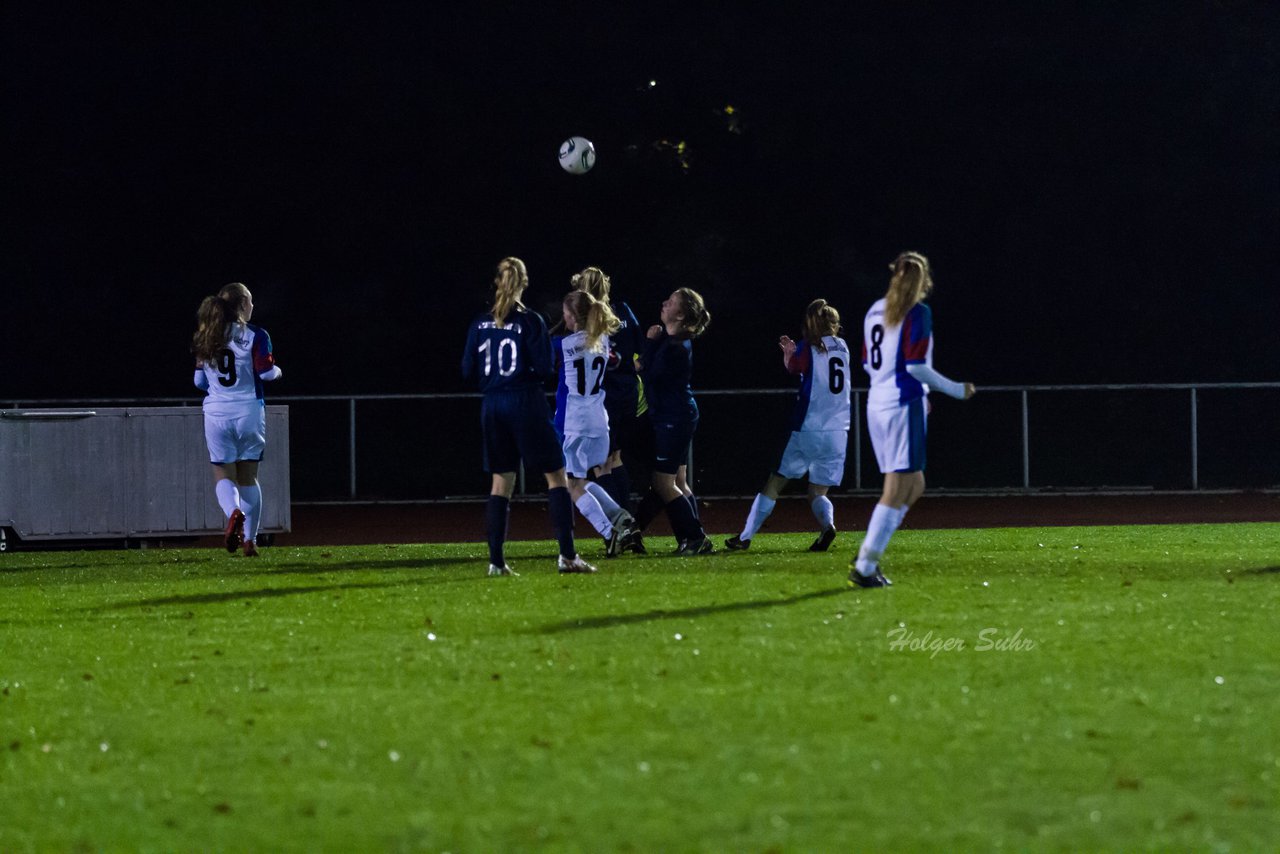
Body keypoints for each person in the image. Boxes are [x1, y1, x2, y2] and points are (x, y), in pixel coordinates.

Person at [461, 257, 596, 576]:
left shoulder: (480, 323)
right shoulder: (530, 321)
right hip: (525, 401)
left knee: (500, 482)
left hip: (492, 404)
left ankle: (496, 562)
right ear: (523, 283)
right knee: (556, 476)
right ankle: (567, 556)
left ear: (497, 282)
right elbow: (546, 367)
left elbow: (467, 369)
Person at [851, 252, 975, 588]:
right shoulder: (917, 311)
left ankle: (871, 546)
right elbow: (916, 366)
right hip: (901, 403)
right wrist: (956, 389)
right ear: (923, 280)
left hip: (878, 403)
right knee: (896, 488)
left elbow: (867, 362)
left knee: (915, 484)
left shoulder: (875, 309)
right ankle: (865, 565)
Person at [726, 299, 851, 553]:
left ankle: (745, 537)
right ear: (834, 325)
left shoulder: (810, 346)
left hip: (808, 427)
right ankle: (828, 526)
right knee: (817, 492)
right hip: (839, 431)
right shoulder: (843, 347)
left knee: (774, 484)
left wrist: (788, 355)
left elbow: (795, 367)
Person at [191, 282, 283, 557]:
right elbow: (266, 374)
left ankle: (233, 513)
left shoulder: (206, 336)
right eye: (251, 301)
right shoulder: (256, 335)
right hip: (249, 411)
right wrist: (278, 371)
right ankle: (250, 541)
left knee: (223, 474)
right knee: (248, 478)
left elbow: (198, 381)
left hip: (217, 412)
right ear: (243, 305)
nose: (253, 306)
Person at [552, 290, 639, 556]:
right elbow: (616, 361)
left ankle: (608, 531)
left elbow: (544, 345)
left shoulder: (565, 344)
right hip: (600, 421)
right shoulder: (602, 340)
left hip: (576, 420)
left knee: (571, 485)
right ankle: (620, 516)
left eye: (566, 314)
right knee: (583, 479)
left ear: (572, 317)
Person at [633, 287, 713, 555]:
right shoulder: (673, 341)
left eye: (671, 302)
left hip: (673, 417)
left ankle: (694, 537)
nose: (664, 303)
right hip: (678, 414)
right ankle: (691, 537)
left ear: (680, 314)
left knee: (663, 483)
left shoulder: (675, 346)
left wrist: (649, 342)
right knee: (678, 481)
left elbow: (648, 372)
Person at [570, 267, 646, 524]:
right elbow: (639, 350)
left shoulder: (591, 318)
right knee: (615, 459)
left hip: (603, 396)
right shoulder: (623, 310)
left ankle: (621, 524)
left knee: (601, 465)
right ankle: (629, 522)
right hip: (629, 392)